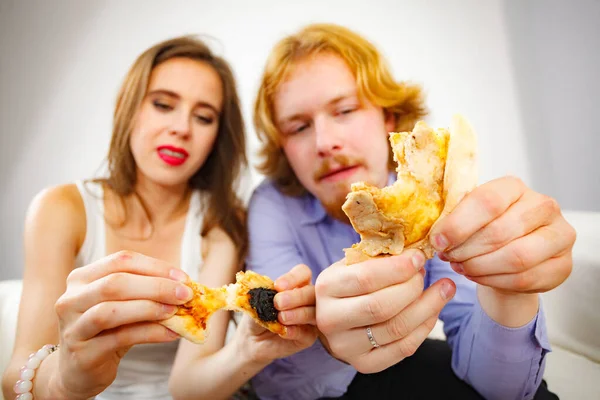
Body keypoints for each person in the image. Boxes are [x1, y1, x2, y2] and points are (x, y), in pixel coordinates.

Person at [246, 23, 575, 400]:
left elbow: (504, 389)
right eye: (299, 126)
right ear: (282, 147)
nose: (325, 142)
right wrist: (323, 332)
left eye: (345, 110)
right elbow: (282, 348)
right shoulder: (271, 207)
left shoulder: (432, 202)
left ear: (388, 115)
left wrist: (510, 287)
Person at [1, 36, 317, 400]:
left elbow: (191, 384)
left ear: (216, 136)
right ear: (129, 107)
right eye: (163, 104)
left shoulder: (220, 223)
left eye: (203, 117)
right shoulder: (60, 209)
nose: (182, 128)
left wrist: (249, 349)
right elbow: (16, 379)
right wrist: (67, 381)